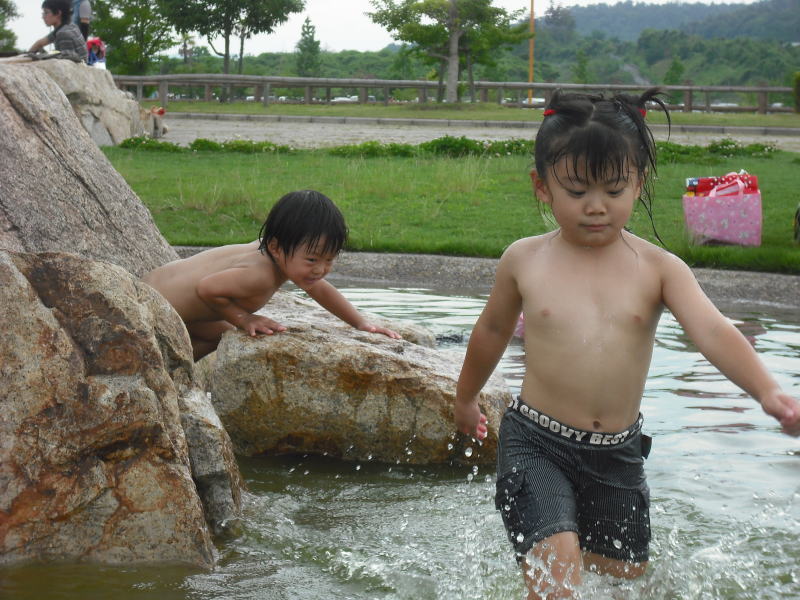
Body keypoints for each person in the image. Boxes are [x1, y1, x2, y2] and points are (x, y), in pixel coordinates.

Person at [454, 88, 800, 598]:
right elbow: (490, 332)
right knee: (558, 567)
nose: (596, 207)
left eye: (613, 191)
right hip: (535, 443)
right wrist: (466, 397)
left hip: (618, 455)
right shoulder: (524, 260)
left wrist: (768, 392)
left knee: (623, 582)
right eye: (576, 192)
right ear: (542, 186)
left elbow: (713, 331)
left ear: (637, 183)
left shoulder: (659, 269)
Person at [143, 190, 401, 360]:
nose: (320, 269)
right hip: (148, 312)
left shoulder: (276, 255)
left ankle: (172, 368)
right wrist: (244, 319)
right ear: (277, 247)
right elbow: (208, 289)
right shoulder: (260, 275)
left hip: (157, 294)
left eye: (329, 260)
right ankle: (166, 370)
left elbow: (320, 288)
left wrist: (360, 323)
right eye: (312, 260)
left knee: (220, 333)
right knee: (226, 331)